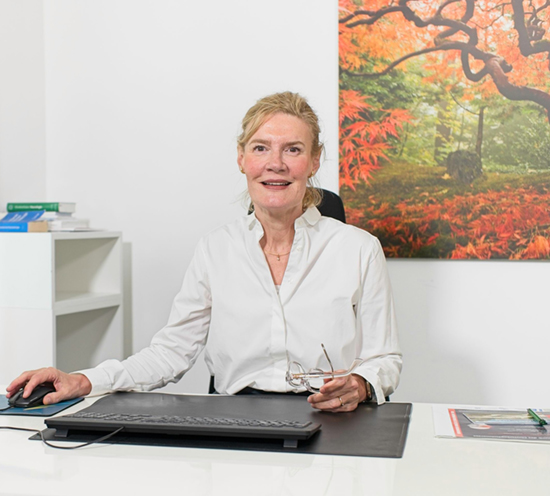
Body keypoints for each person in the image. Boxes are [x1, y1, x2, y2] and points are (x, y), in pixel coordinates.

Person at [7, 92, 402, 412]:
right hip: (237, 419)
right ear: (241, 158)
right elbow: (170, 353)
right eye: (261, 148)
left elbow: (385, 359)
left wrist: (360, 384)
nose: (275, 164)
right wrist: (84, 380)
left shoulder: (359, 249)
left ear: (314, 160)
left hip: (330, 418)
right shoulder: (216, 249)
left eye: (293, 150)